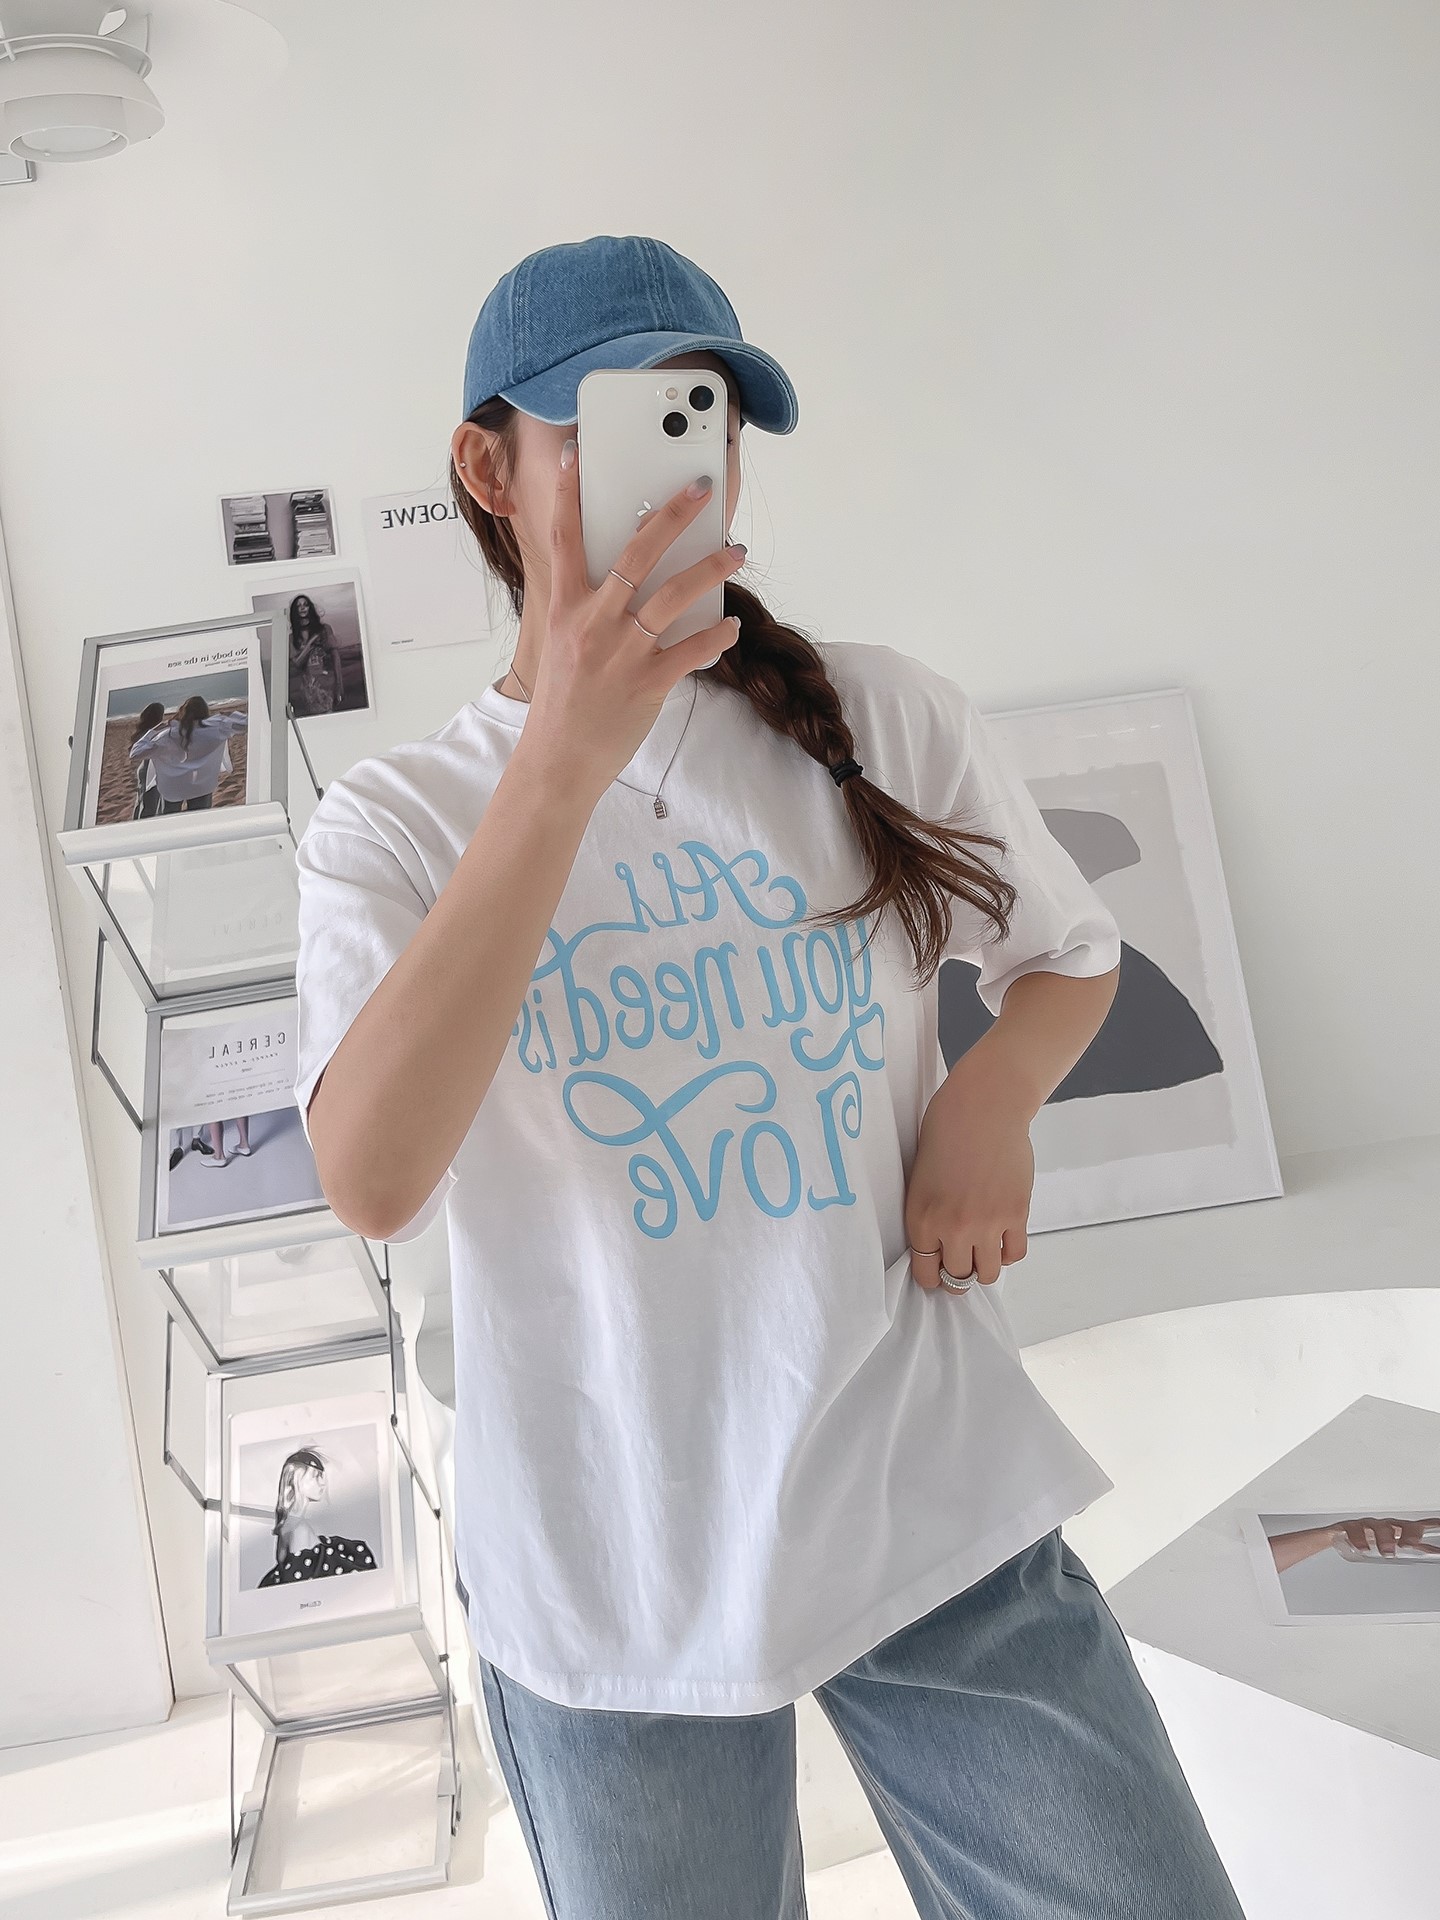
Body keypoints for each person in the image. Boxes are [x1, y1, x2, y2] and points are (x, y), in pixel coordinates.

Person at [292, 237, 1247, 1919]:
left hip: (920, 1492)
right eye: (618, 421)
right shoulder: (396, 826)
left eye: (706, 416)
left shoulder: (877, 718)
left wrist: (989, 1102)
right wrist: (558, 770)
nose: (683, 461)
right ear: (488, 470)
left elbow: (1070, 954)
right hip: (607, 1564)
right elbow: (374, 1180)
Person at [255, 1447, 376, 1587]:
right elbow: (300, 1578)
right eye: (316, 1476)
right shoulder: (299, 1528)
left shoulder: (288, 1525)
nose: (323, 1483)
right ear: (298, 1479)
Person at [127, 694, 248, 813]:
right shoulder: (217, 729)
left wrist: (153, 731)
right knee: (198, 820)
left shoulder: (169, 734)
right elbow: (248, 723)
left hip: (173, 785)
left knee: (170, 820)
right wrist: (229, 714)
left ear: (183, 712)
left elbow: (135, 753)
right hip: (201, 784)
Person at [287, 593, 344, 715]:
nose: (302, 608)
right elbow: (297, 664)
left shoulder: (324, 630)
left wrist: (339, 685)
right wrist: (310, 643)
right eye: (298, 606)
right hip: (309, 688)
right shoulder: (292, 638)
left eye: (305, 605)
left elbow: (335, 657)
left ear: (310, 608)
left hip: (327, 683)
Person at [128, 700, 165, 819]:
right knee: (149, 804)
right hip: (150, 770)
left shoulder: (144, 732)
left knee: (141, 800)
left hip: (144, 769)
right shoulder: (153, 732)